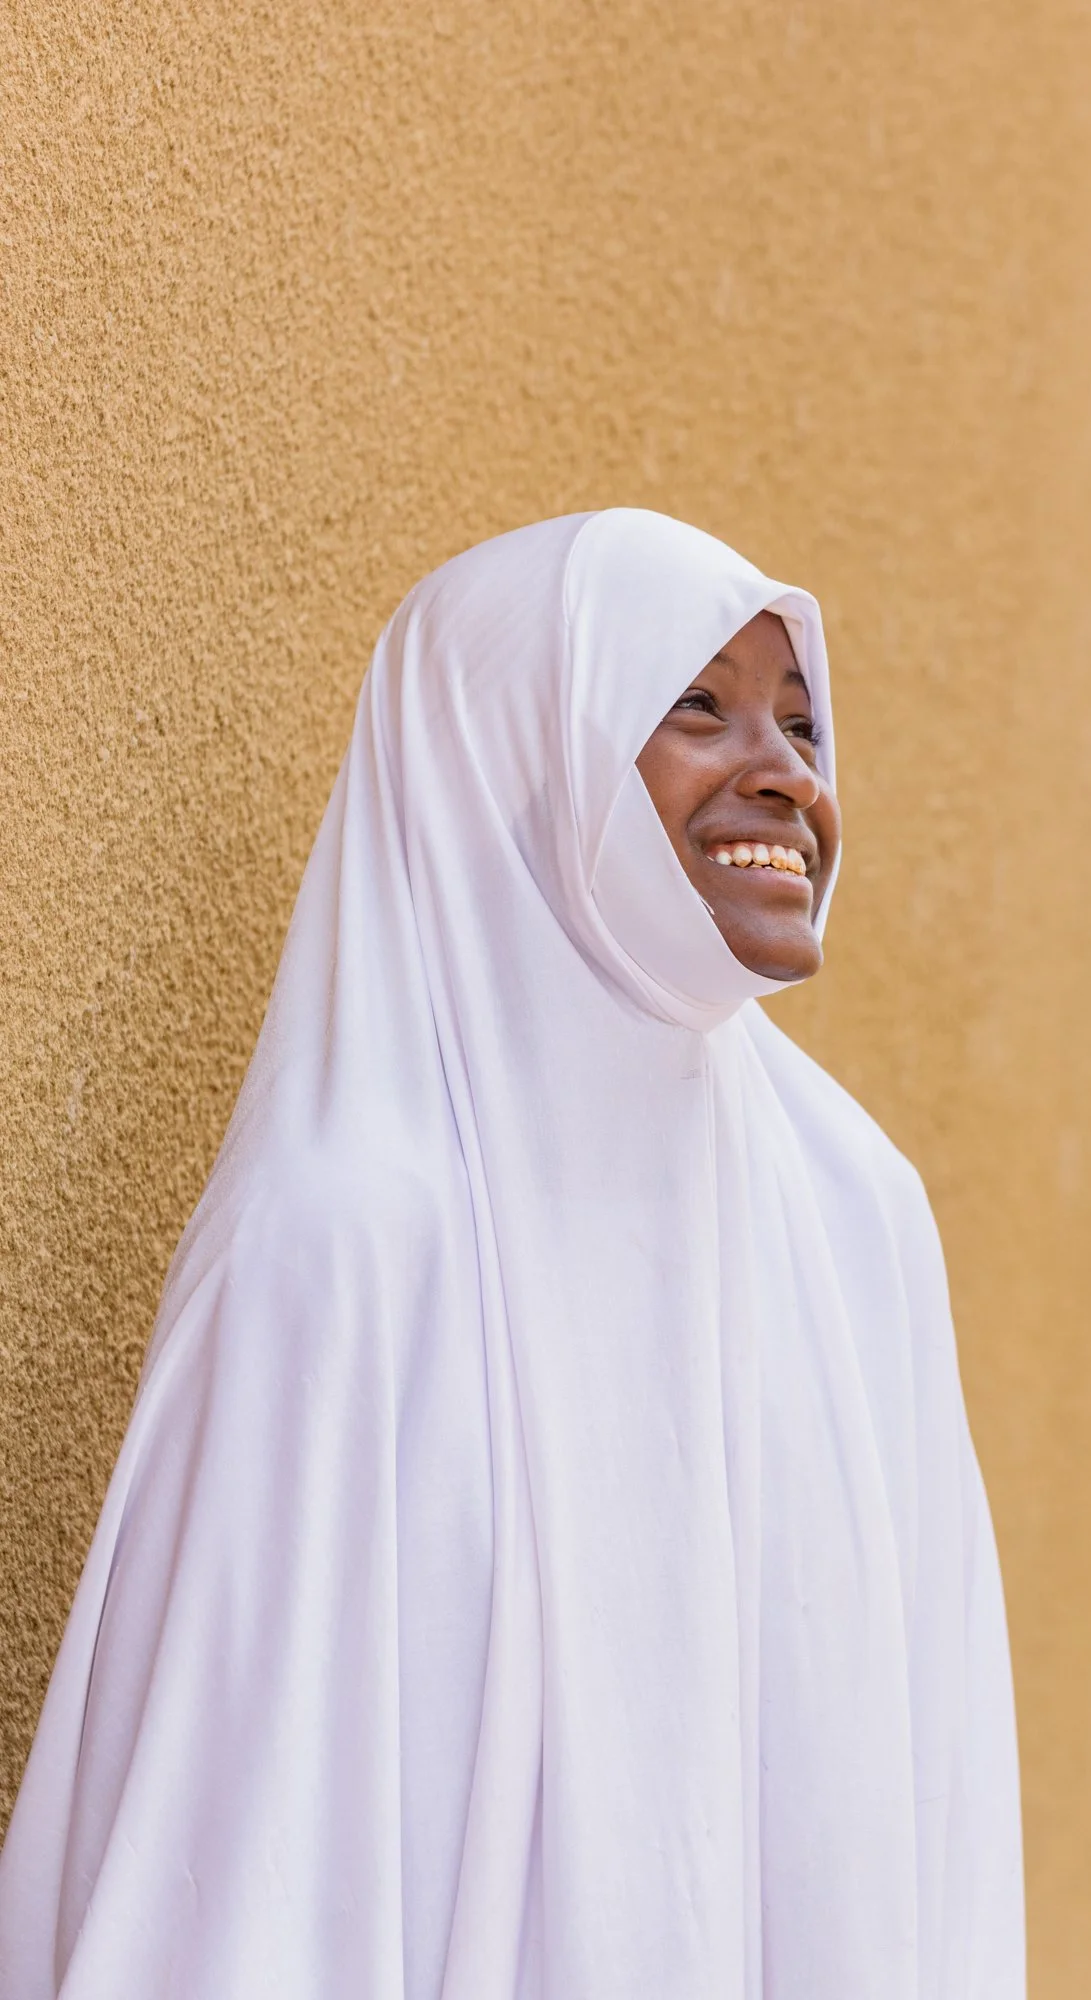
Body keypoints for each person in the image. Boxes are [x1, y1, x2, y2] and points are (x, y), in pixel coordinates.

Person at [0, 509, 1025, 1998]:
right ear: (509, 758)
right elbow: (238, 1874)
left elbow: (936, 1802)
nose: (787, 773)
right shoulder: (344, 1251)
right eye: (694, 706)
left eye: (801, 720)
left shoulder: (857, 1218)